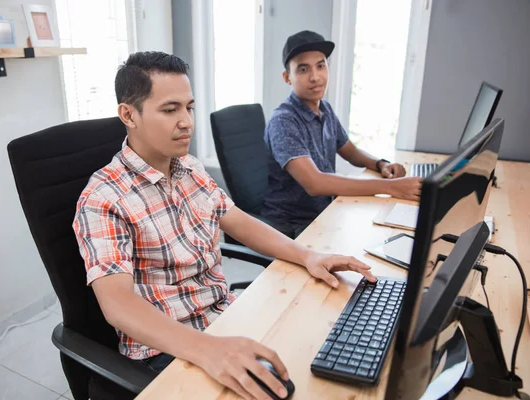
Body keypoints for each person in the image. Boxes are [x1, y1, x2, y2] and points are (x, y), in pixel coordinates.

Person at [73, 51, 377, 400]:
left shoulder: (188, 167)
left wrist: (307, 255)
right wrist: (207, 349)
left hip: (225, 316)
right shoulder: (104, 198)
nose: (187, 121)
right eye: (170, 110)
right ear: (129, 114)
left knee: (324, 347)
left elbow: (240, 222)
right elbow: (118, 305)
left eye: (189, 107)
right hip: (167, 350)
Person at [262, 30, 422, 238]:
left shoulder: (324, 109)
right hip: (292, 226)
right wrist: (392, 187)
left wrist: (381, 164)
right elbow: (315, 183)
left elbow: (351, 151)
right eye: (303, 69)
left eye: (321, 66)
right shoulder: (284, 121)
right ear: (287, 77)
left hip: (325, 211)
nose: (315, 77)